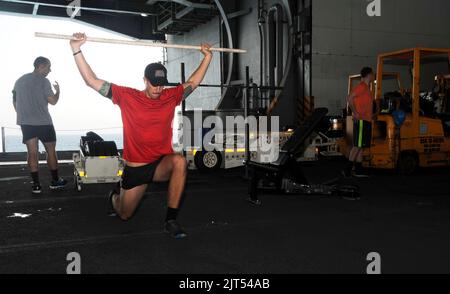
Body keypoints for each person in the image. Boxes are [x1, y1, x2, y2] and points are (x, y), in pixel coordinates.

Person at [70, 32, 212, 239]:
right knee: (124, 214)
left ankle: (170, 220)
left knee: (180, 161)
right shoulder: (127, 96)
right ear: (144, 80)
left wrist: (207, 57)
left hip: (160, 163)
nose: (158, 88)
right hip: (136, 168)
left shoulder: (170, 96)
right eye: (154, 83)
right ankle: (114, 196)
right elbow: (91, 81)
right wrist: (76, 49)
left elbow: (193, 82)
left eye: (161, 83)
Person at [12, 57, 67, 194]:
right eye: (48, 67)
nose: (50, 70)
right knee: (51, 151)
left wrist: (23, 115)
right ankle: (55, 181)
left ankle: (36, 185)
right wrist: (58, 91)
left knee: (32, 153)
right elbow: (53, 101)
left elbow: (14, 101)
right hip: (44, 123)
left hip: (26, 123)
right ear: (41, 66)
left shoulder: (19, 81)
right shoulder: (44, 81)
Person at [343, 67, 375, 178]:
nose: (373, 76)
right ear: (369, 75)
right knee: (357, 146)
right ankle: (346, 171)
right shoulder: (361, 87)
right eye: (373, 74)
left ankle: (359, 170)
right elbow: (349, 98)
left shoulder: (366, 88)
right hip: (361, 120)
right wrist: (355, 112)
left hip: (366, 120)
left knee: (361, 146)